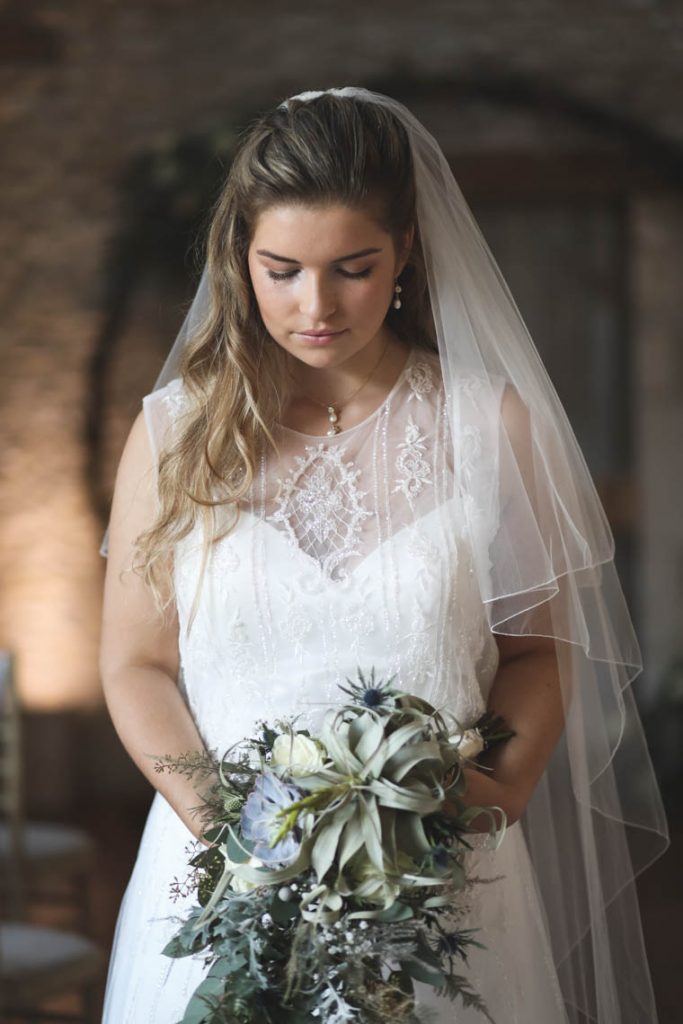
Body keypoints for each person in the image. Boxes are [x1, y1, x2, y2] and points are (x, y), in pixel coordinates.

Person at [99, 87, 668, 1023]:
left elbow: (533, 653)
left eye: (351, 269)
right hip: (221, 877)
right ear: (239, 260)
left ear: (404, 251)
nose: (314, 305)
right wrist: (239, 847)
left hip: (445, 878)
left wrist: (492, 800)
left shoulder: (488, 425)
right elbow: (136, 663)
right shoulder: (174, 434)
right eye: (281, 269)